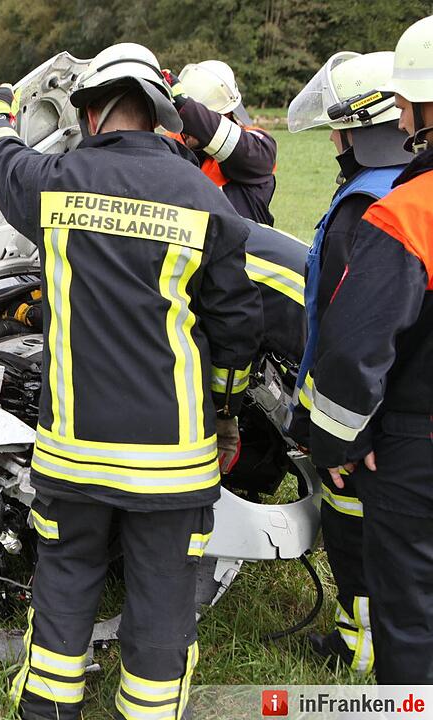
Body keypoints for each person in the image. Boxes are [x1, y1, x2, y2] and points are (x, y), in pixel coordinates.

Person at [0, 42, 262, 719]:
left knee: (67, 573)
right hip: (172, 459)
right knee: (163, 592)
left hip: (74, 451)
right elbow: (237, 326)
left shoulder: (55, 181)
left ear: (90, 113)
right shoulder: (202, 196)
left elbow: (3, 162)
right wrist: (225, 409)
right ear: (158, 113)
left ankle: (48, 707)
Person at [307, 15, 433, 684]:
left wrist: (336, 443)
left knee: (409, 617)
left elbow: (356, 348)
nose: (404, 116)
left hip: (415, 444)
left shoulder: (407, 213)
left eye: (409, 101)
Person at [286, 50, 412, 675]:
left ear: (361, 132)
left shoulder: (364, 210)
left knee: (354, 528)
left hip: (369, 427)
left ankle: (360, 646)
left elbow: (348, 335)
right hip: (408, 416)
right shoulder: (414, 191)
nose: (334, 141)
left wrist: (337, 437)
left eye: (339, 131)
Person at [165, 61, 278, 225]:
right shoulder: (174, 143)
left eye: (188, 119)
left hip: (243, 242)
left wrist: (185, 107)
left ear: (226, 114)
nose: (186, 127)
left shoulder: (258, 147)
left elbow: (239, 147)